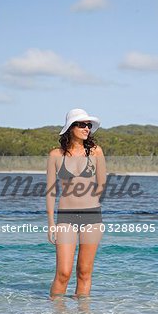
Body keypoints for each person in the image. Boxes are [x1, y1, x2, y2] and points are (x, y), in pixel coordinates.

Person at [46, 108, 106, 300]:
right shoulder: (56, 155)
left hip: (92, 217)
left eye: (88, 125)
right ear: (70, 128)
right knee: (63, 273)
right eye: (82, 124)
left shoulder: (96, 152)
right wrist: (50, 224)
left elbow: (102, 183)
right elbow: (50, 191)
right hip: (65, 217)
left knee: (84, 272)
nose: (86, 128)